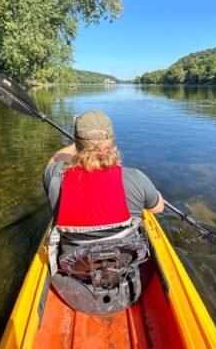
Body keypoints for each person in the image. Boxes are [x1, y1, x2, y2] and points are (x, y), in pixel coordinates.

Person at [41, 110, 164, 314]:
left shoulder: (55, 177)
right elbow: (158, 208)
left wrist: (77, 145)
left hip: (75, 275)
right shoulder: (136, 178)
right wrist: (153, 193)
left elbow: (55, 159)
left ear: (77, 143)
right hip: (126, 270)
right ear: (112, 141)